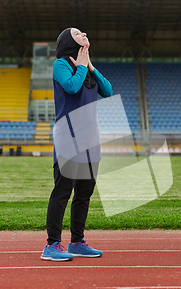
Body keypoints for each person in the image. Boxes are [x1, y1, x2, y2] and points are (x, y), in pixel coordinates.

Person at [41, 28, 113, 261]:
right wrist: (81, 66)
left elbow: (108, 90)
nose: (84, 33)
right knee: (62, 192)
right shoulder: (61, 64)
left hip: (90, 140)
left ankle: (77, 242)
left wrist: (90, 66)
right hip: (68, 138)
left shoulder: (87, 68)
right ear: (67, 40)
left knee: (84, 194)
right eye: (77, 32)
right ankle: (51, 245)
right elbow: (71, 87)